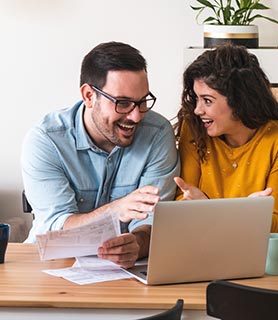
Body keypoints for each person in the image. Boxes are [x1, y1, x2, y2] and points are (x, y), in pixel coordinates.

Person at [21, 41, 180, 267]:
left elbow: (156, 221)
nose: (136, 116)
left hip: (126, 272)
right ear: (88, 96)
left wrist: (138, 243)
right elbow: (56, 226)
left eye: (142, 101)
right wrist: (115, 210)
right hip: (52, 264)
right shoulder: (47, 140)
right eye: (123, 103)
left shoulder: (158, 134)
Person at [174, 42, 278, 244]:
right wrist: (246, 214)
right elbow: (181, 200)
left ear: (239, 100)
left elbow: (276, 221)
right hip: (206, 248)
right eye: (197, 99)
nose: (198, 110)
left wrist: (210, 209)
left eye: (207, 100)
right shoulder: (194, 130)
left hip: (267, 253)